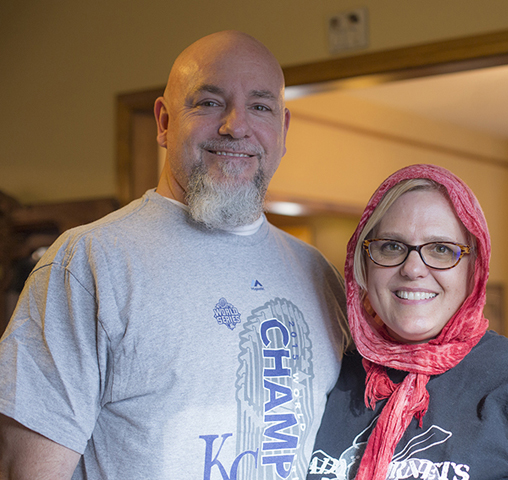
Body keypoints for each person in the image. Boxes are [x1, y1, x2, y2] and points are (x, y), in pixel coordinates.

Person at [0, 31, 349, 479]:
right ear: (164, 122)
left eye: (260, 106)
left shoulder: (316, 273)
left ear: (282, 131)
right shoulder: (89, 263)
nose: (235, 126)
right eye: (208, 103)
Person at [307, 164, 508, 480]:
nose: (413, 268)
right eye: (391, 246)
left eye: (441, 249)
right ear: (364, 261)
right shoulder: (328, 377)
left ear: (475, 269)